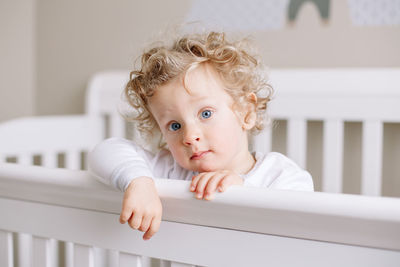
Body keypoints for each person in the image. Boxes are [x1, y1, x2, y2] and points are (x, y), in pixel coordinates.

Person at [88, 31, 313, 241]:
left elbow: (303, 225)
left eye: (205, 113)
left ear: (246, 112)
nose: (189, 136)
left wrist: (243, 191)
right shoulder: (171, 171)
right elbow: (105, 151)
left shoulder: (280, 176)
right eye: (174, 125)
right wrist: (138, 182)